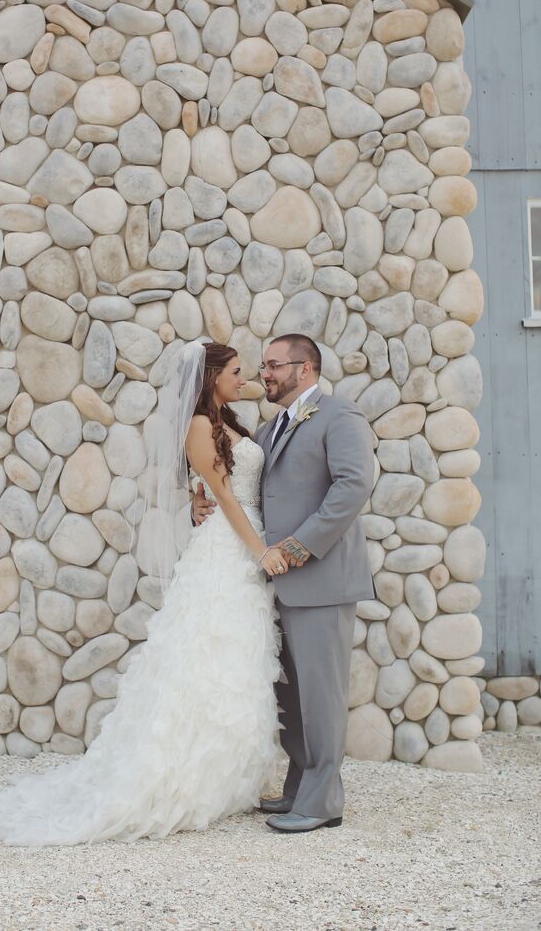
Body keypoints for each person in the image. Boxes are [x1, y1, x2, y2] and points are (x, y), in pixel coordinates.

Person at [0, 341, 287, 847]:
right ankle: (179, 777)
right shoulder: (197, 425)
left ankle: (222, 775)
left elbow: (216, 488)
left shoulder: (226, 420)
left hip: (239, 542)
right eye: (236, 372)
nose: (245, 378)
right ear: (211, 376)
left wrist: (204, 500)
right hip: (228, 548)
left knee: (235, 660)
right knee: (208, 657)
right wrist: (260, 550)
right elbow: (227, 499)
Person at [193, 333, 375, 834]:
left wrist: (298, 546)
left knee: (321, 694)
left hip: (319, 578)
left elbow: (354, 484)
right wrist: (200, 502)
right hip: (275, 580)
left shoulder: (340, 416)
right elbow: (252, 487)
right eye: (264, 366)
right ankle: (299, 788)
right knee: (293, 697)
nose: (264, 374)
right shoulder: (273, 426)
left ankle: (323, 803)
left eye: (274, 365)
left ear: (306, 368)